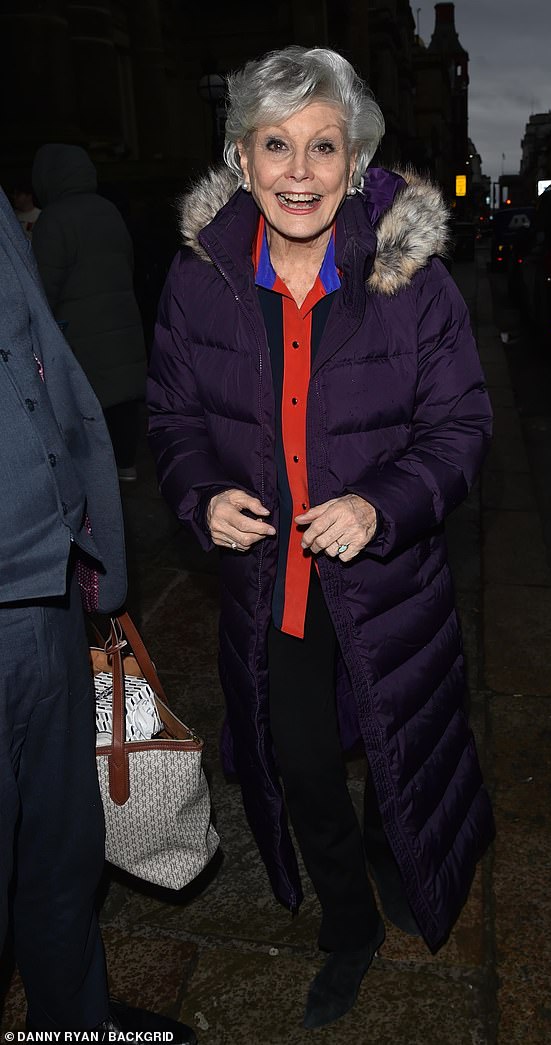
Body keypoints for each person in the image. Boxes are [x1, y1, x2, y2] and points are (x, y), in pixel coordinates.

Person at [147, 45, 495, 1030]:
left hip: (389, 578)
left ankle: (404, 856)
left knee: (404, 742)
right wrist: (200, 492)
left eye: (323, 147)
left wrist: (381, 502)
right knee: (300, 759)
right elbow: (172, 421)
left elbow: (463, 424)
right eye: (275, 145)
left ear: (354, 160)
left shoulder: (407, 276)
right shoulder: (201, 279)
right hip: (275, 582)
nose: (298, 171)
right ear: (241, 157)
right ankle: (348, 926)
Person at [0, 186, 195, 1041]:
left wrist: (87, 537)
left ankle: (71, 1024)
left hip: (40, 584)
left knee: (61, 850)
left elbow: (32, 340)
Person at [30, 143, 147, 481]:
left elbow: (43, 287)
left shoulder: (54, 219)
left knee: (90, 405)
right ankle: (126, 464)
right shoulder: (108, 210)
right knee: (121, 398)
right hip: (120, 322)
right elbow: (129, 264)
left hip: (81, 334)